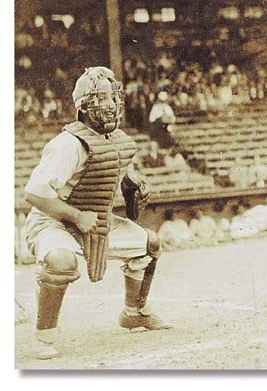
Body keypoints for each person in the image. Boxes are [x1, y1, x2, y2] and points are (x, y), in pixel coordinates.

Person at [22, 67, 171, 360]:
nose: (111, 104)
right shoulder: (67, 144)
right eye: (100, 98)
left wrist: (134, 186)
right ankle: (44, 335)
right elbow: (34, 194)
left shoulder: (117, 141)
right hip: (54, 221)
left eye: (112, 97)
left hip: (96, 221)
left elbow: (118, 178)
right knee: (61, 262)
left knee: (149, 245)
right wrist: (76, 217)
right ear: (84, 106)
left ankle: (134, 312)